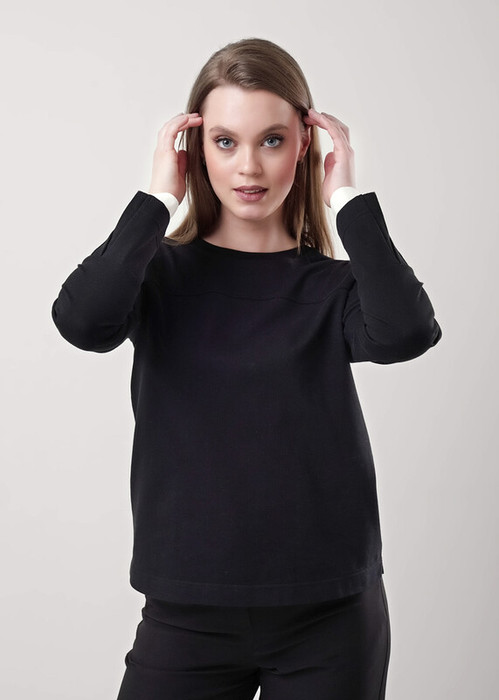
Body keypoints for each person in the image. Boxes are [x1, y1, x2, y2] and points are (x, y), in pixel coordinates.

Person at [51, 37, 442, 700]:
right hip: (186, 611)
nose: (249, 166)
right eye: (225, 142)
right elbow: (82, 323)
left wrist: (347, 196)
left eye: (272, 140)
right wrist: (157, 198)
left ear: (304, 146)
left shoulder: (335, 288)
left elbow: (407, 332)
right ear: (195, 150)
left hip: (329, 615)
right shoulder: (156, 276)